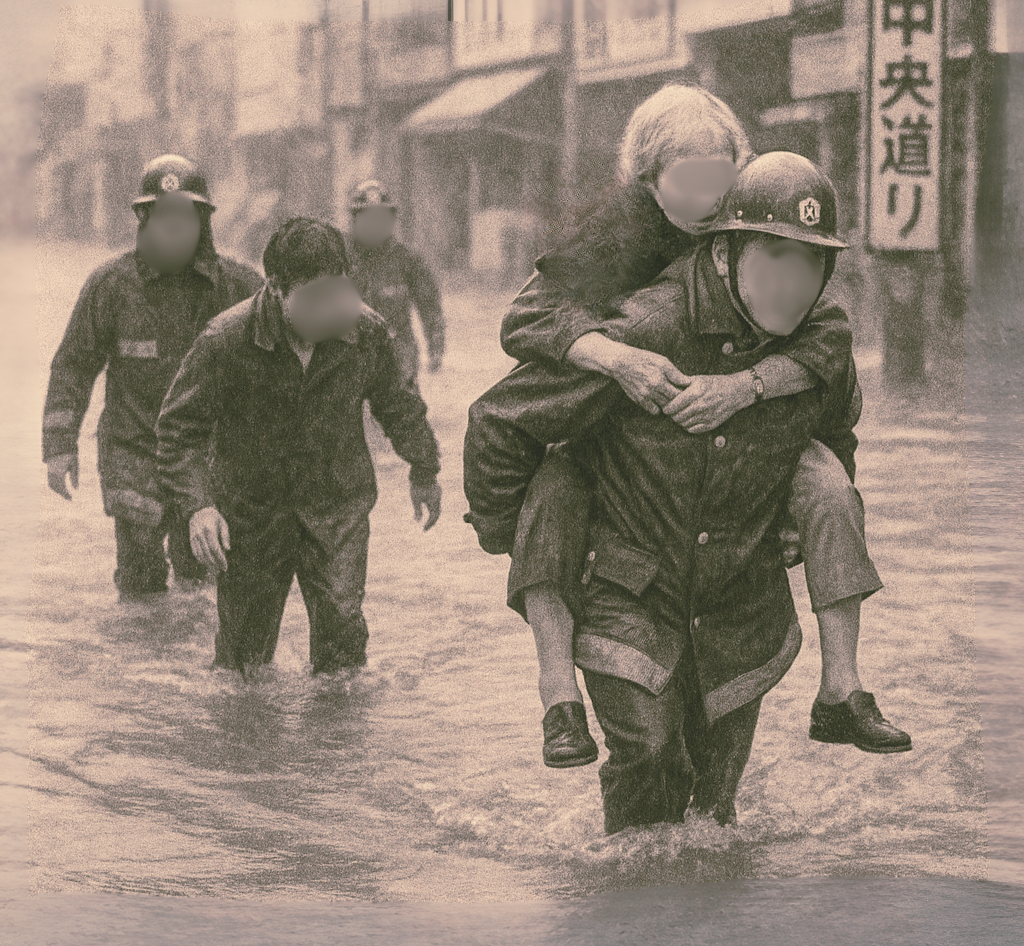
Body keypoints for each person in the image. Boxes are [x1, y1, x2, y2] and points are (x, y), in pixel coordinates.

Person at [464, 153, 901, 835]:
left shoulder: (818, 345)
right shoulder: (647, 331)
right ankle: (627, 926)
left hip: (739, 604)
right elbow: (498, 422)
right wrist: (522, 540)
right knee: (646, 759)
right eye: (774, 256)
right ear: (724, 253)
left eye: (810, 263)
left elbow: (835, 434)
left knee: (712, 815)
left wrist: (795, 524)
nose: (792, 283)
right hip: (628, 593)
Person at [156, 217, 442, 676]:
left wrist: (424, 469)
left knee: (343, 649)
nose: (332, 308)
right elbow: (177, 432)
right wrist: (198, 507)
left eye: (339, 290)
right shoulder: (225, 341)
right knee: (242, 665)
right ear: (276, 289)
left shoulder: (367, 333)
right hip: (251, 513)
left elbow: (400, 404)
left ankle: (336, 742)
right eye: (315, 297)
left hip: (336, 506)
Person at [42, 154, 264, 600]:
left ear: (203, 221)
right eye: (164, 216)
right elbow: (73, 364)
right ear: (144, 218)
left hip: (207, 457)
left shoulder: (238, 288)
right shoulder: (111, 286)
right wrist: (59, 446)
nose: (175, 228)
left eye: (186, 217)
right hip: (133, 452)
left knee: (201, 581)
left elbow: (278, 365)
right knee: (140, 588)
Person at [346, 179, 447, 387]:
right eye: (368, 218)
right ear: (354, 220)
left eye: (381, 218)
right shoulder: (337, 257)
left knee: (407, 413)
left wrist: (436, 347)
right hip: (349, 359)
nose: (375, 225)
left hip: (398, 359)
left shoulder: (407, 260)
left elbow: (429, 305)